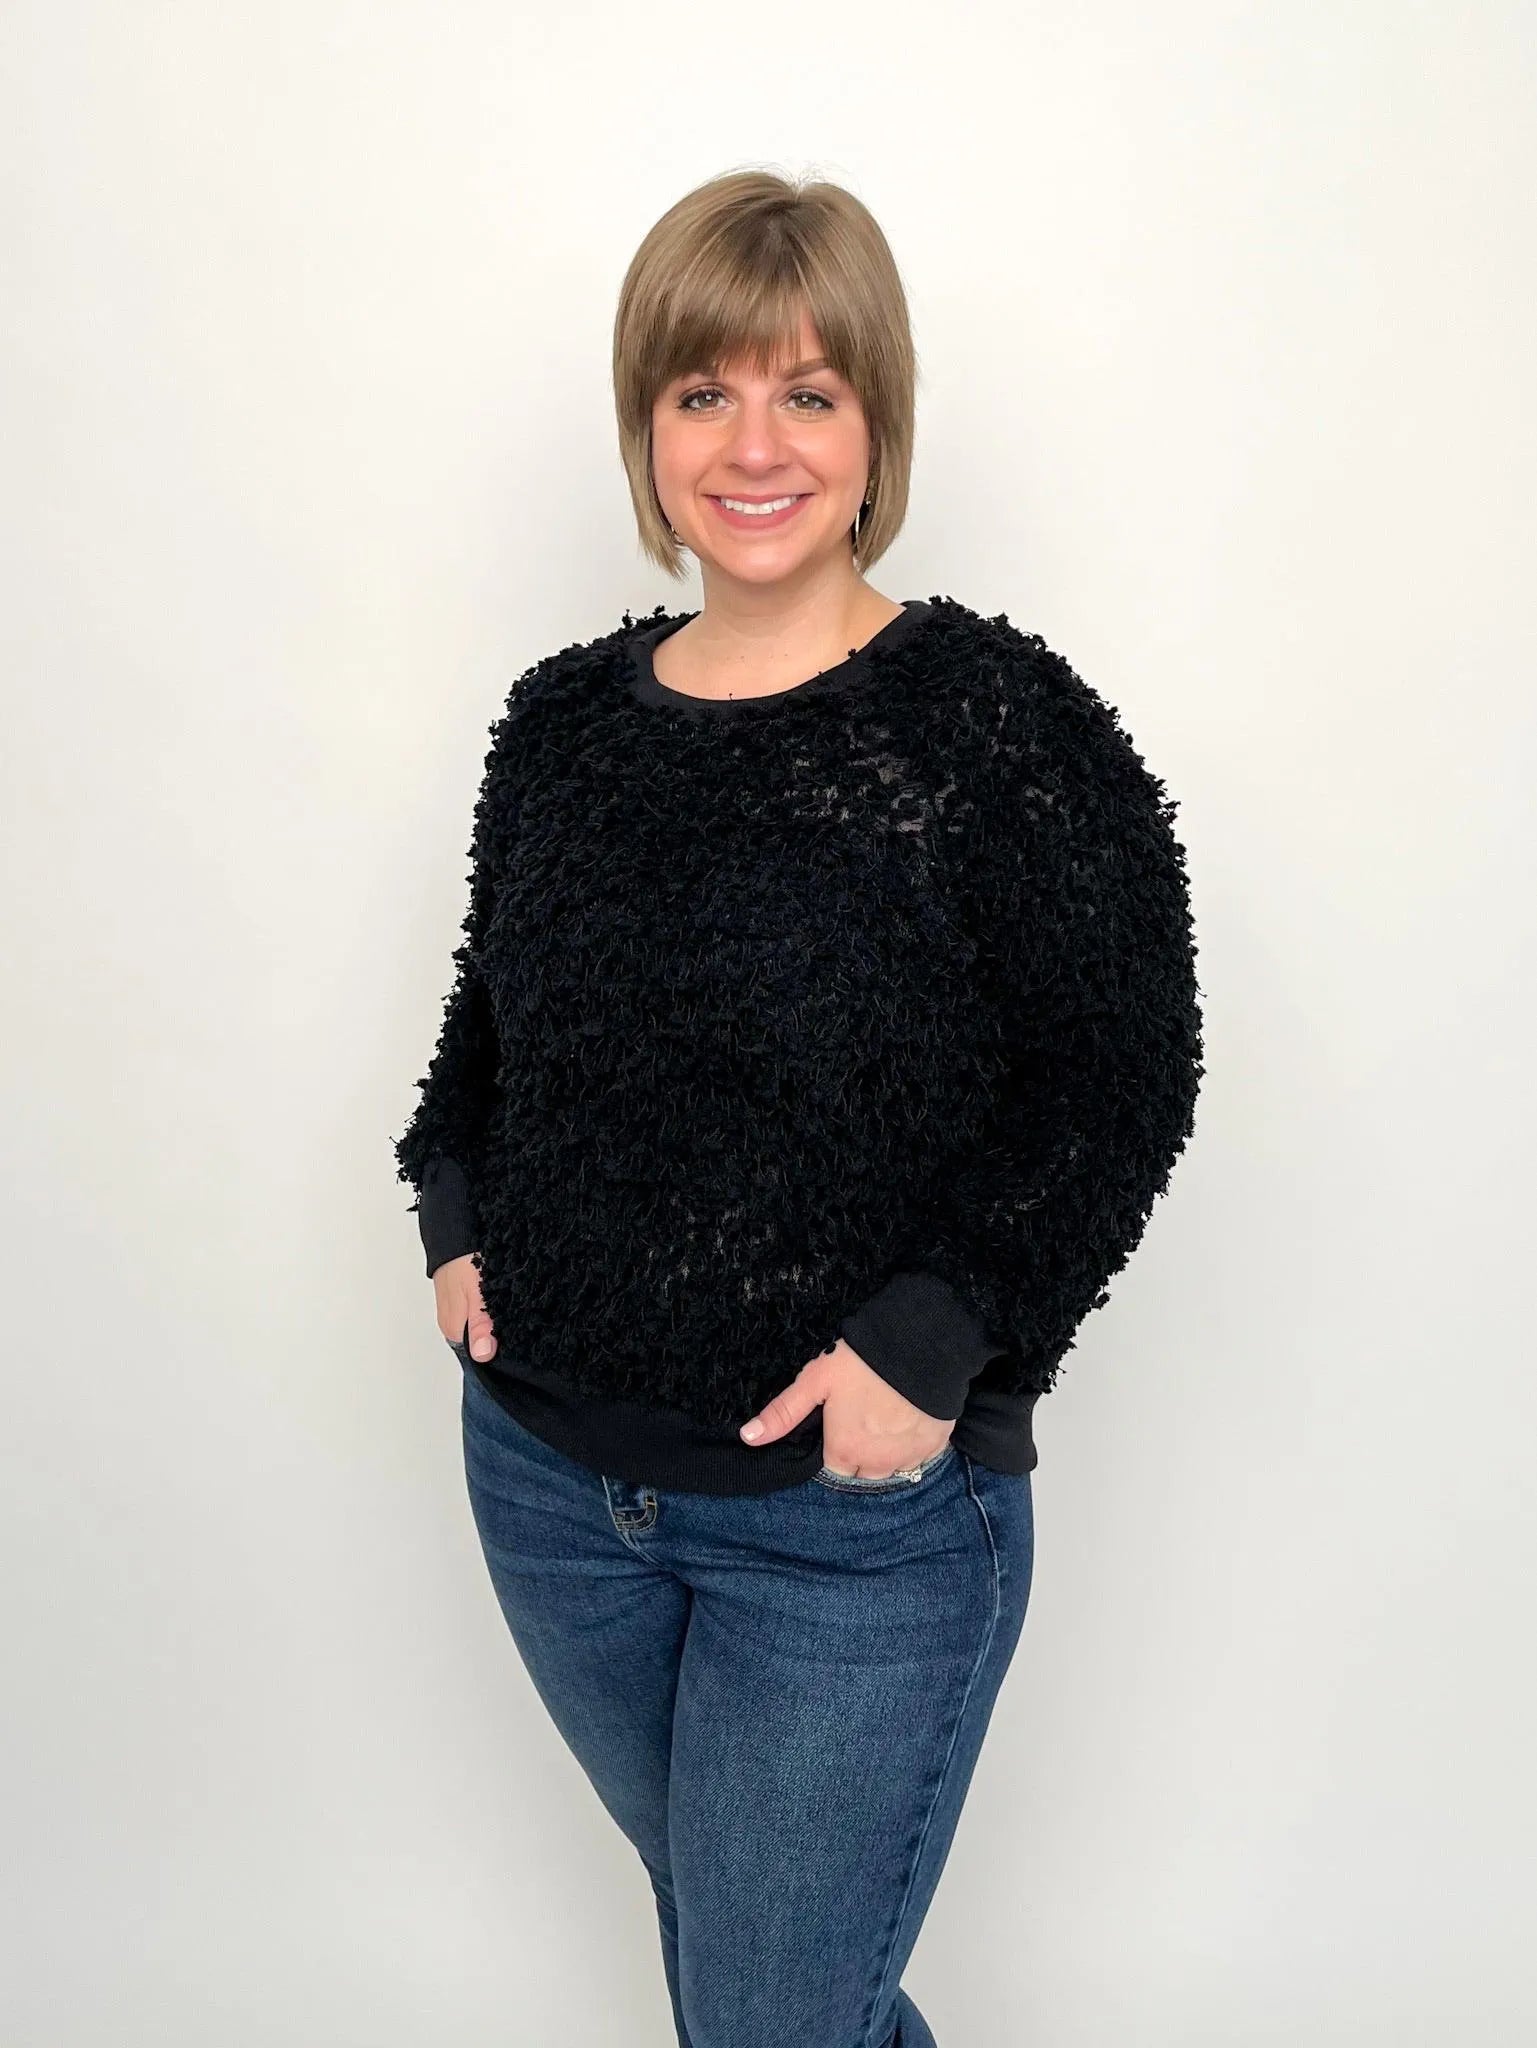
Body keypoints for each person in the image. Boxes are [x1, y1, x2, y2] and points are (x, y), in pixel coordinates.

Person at [391, 168, 1204, 2048]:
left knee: (766, 2012)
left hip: (846, 1529)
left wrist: (927, 1341)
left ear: (875, 427)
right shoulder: (562, 723)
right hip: (549, 1487)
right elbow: (492, 1018)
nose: (752, 447)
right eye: (704, 394)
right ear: (645, 427)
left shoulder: (995, 725)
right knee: (758, 1988)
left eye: (807, 394)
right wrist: (452, 1210)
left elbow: (1120, 1074)